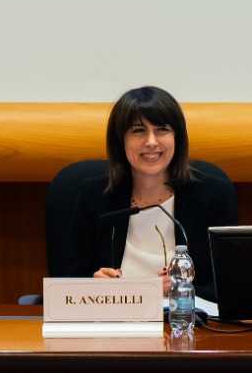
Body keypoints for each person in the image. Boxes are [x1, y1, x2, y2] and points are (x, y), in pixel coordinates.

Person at [61, 87, 237, 302]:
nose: (151, 141)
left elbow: (229, 285)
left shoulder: (213, 195)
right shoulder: (94, 196)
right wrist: (94, 285)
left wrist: (183, 288)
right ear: (121, 140)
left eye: (162, 129)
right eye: (138, 131)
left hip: (184, 319)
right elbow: (70, 284)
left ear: (177, 138)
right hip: (116, 318)